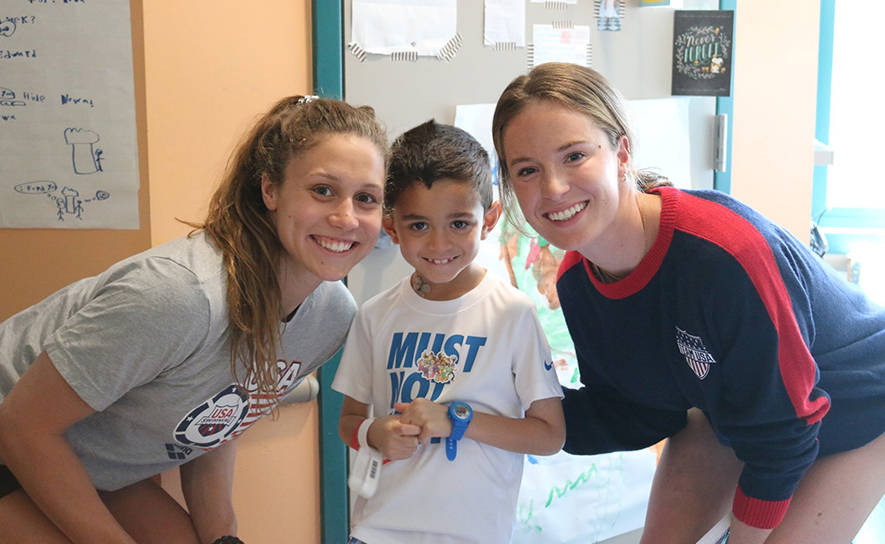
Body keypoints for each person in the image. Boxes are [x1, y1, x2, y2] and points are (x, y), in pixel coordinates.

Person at [490, 62, 885, 544]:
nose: (553, 188)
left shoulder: (724, 256)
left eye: (574, 156)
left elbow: (784, 432)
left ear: (621, 153)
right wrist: (500, 407)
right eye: (527, 170)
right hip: (737, 415)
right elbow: (637, 411)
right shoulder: (577, 282)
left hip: (857, 404)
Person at [0, 95, 388, 544]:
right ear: (270, 190)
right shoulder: (180, 295)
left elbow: (217, 417)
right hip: (17, 431)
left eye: (366, 198)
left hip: (85, 455)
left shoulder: (331, 317)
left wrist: (223, 536)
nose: (346, 217)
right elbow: (22, 427)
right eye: (322, 190)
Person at [331, 120, 565, 544]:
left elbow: (549, 435)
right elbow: (349, 421)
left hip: (473, 535)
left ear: (489, 220)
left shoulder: (513, 314)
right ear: (391, 227)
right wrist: (374, 433)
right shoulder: (375, 315)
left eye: (459, 224)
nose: (439, 244)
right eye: (419, 225)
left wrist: (459, 420)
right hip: (376, 532)